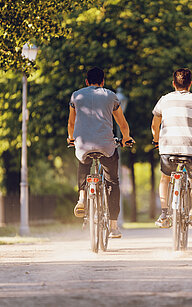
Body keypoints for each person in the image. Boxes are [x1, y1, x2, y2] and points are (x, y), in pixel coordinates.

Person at [67, 67, 134, 238]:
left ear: (86, 81)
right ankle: (113, 226)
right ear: (103, 82)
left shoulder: (76, 96)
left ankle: (82, 198)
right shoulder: (111, 96)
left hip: (83, 145)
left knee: (83, 163)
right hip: (106, 145)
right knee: (112, 181)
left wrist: (71, 138)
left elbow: (71, 124)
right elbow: (123, 124)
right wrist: (126, 138)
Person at [151, 68, 192, 230]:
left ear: (173, 83)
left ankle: (164, 213)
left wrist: (156, 140)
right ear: (190, 84)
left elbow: (155, 124)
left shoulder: (164, 101)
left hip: (168, 148)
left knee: (165, 179)